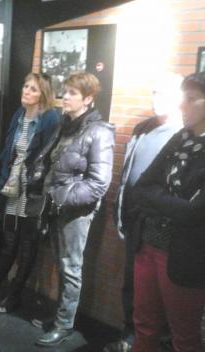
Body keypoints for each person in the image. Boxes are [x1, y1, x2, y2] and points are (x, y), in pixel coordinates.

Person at [30, 72, 115, 347]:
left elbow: (98, 184)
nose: (64, 97)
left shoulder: (98, 131)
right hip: (55, 206)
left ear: (88, 99)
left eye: (71, 93)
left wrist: (61, 199)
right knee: (61, 263)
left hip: (75, 211)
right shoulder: (66, 124)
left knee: (70, 268)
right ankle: (59, 317)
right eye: (64, 91)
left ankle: (64, 324)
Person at [0, 72, 61, 313]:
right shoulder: (19, 116)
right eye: (25, 86)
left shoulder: (50, 118)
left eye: (33, 89)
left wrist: (41, 190)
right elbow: (9, 154)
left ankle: (13, 295)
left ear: (43, 94)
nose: (26, 91)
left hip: (33, 190)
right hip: (12, 186)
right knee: (9, 244)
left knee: (28, 245)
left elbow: (48, 159)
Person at [103, 73, 182, 352]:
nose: (155, 99)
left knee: (164, 291)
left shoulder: (183, 134)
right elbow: (127, 174)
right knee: (133, 284)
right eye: (154, 93)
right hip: (135, 220)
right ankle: (131, 337)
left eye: (163, 94)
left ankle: (160, 341)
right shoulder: (142, 128)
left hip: (165, 227)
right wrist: (121, 211)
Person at [131, 72, 205, 351]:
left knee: (184, 335)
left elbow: (195, 213)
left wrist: (158, 197)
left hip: (186, 254)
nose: (182, 105)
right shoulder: (181, 138)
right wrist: (175, 203)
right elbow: (141, 187)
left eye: (191, 99)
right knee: (144, 323)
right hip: (149, 242)